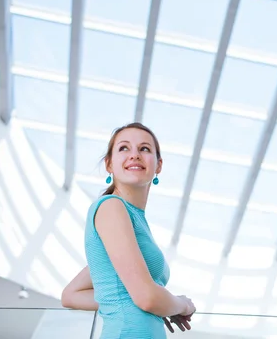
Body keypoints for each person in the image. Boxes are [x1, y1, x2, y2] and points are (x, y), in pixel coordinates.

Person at [61, 122, 196, 338]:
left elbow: (71, 295)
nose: (134, 155)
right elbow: (146, 297)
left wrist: (160, 303)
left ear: (158, 165)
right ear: (109, 164)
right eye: (124, 148)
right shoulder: (111, 207)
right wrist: (182, 304)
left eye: (144, 149)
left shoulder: (132, 220)